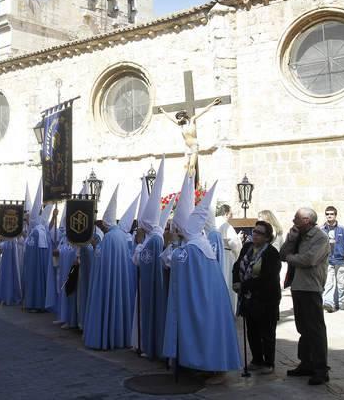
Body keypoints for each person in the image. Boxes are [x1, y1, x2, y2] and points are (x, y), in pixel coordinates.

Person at [162, 183, 241, 384]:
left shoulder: (193, 247)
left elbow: (172, 261)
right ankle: (208, 367)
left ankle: (217, 371)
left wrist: (171, 242)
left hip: (204, 301)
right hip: (207, 299)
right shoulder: (198, 244)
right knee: (208, 332)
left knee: (208, 332)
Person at [83, 186, 139, 350]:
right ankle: (119, 337)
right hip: (121, 279)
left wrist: (95, 246)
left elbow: (100, 258)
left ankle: (106, 337)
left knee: (108, 305)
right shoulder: (122, 236)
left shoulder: (108, 238)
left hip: (107, 280)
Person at [280, 207, 330, 385]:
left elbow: (309, 260)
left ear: (307, 220)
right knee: (303, 327)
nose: (293, 220)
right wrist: (291, 241)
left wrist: (291, 257)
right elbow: (282, 254)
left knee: (315, 329)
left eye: (297, 218)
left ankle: (320, 369)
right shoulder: (296, 235)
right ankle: (306, 363)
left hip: (310, 287)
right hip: (297, 285)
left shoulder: (320, 238)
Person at [233, 220, 281, 374]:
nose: (255, 235)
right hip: (249, 297)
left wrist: (244, 286)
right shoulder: (247, 247)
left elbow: (268, 277)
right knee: (252, 330)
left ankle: (268, 362)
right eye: (254, 231)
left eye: (260, 233)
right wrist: (236, 281)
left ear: (267, 237)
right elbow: (237, 265)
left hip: (266, 298)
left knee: (266, 331)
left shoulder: (271, 253)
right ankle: (257, 359)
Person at [133, 159, 168, 359]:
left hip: (151, 286)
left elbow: (139, 261)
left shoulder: (153, 239)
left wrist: (138, 243)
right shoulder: (151, 238)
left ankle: (151, 346)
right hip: (144, 286)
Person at [22, 184, 50, 312]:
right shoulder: (37, 230)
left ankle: (37, 304)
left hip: (36, 264)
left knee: (36, 283)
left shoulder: (37, 231)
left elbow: (32, 246)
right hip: (34, 263)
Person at [321, 206, 344, 313]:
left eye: (331, 214)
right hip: (327, 260)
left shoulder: (342, 229)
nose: (329, 216)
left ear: (335, 215)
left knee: (341, 282)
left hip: (340, 259)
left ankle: (339, 302)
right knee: (328, 282)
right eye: (327, 214)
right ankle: (329, 303)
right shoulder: (321, 229)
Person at [216, 203, 242, 314]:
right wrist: (239, 239)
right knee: (227, 281)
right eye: (230, 213)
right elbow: (234, 243)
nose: (231, 216)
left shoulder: (211, 223)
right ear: (226, 213)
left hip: (214, 255)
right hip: (226, 256)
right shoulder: (226, 226)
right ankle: (229, 311)